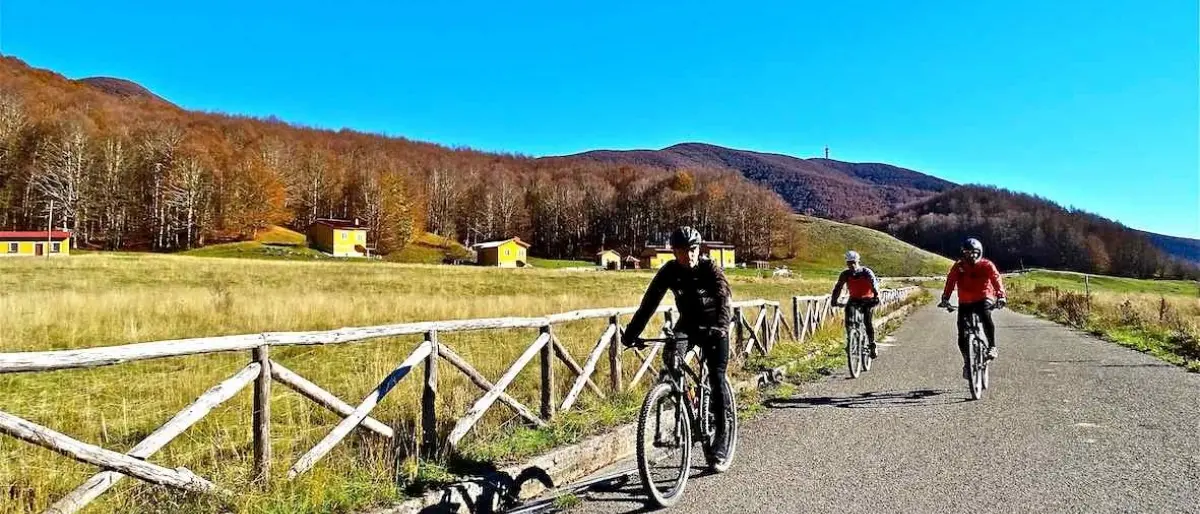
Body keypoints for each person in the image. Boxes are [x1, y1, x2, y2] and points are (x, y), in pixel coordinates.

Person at [622, 226, 733, 462]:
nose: (689, 255)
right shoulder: (669, 271)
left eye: (693, 249)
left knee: (716, 375)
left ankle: (721, 436)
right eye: (683, 251)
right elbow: (648, 304)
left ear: (698, 249)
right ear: (674, 252)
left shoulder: (710, 269)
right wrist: (631, 334)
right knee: (671, 357)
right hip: (689, 325)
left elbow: (725, 300)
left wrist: (722, 327)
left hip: (715, 327)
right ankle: (688, 402)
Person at [937, 238, 1007, 379]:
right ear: (963, 253)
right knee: (962, 334)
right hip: (965, 301)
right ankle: (967, 362)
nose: (971, 256)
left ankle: (992, 346)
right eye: (968, 253)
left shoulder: (986, 265)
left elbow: (996, 278)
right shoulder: (959, 266)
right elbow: (951, 281)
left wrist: (1001, 296)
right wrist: (945, 298)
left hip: (984, 297)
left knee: (985, 315)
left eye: (974, 253)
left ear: (979, 252)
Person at [831, 250, 881, 358]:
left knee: (867, 321)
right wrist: (834, 300)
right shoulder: (845, 274)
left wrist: (876, 295)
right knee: (849, 318)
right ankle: (851, 340)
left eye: (853, 262)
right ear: (847, 263)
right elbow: (838, 287)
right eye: (849, 263)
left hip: (868, 299)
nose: (852, 265)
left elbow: (874, 284)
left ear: (858, 261)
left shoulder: (866, 272)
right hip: (854, 299)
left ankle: (872, 344)